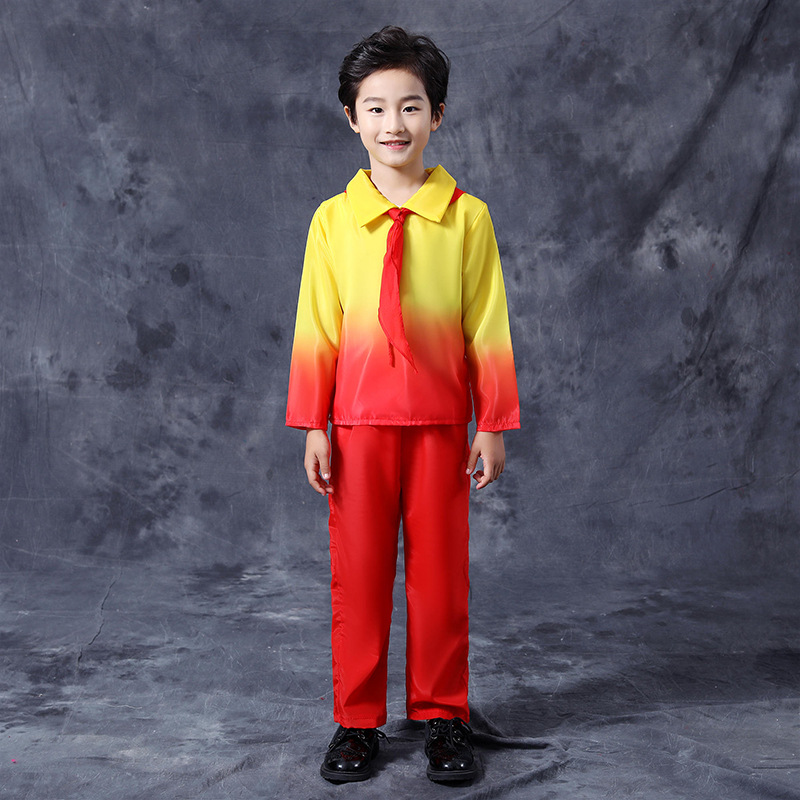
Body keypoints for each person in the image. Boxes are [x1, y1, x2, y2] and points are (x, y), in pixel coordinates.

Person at [286, 25, 520, 783]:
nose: (394, 124)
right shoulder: (332, 221)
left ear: (438, 115)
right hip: (356, 427)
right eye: (377, 108)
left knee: (440, 578)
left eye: (411, 106)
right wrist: (313, 425)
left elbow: (487, 324)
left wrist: (492, 423)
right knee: (357, 577)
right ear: (351, 118)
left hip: (442, 425)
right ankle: (357, 721)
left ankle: (442, 713)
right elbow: (317, 328)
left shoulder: (468, 218)